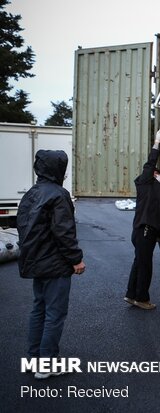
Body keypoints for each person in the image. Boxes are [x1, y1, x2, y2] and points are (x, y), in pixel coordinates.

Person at [17, 150, 86, 380]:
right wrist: (76, 259)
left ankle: (34, 358)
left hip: (35, 262)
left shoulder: (31, 194)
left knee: (39, 310)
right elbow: (64, 232)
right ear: (57, 169)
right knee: (55, 314)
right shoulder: (59, 195)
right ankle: (47, 364)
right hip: (55, 264)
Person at [125, 127, 160, 310]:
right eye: (157, 172)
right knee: (145, 266)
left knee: (139, 263)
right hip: (143, 230)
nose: (159, 175)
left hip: (146, 231)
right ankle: (142, 298)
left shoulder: (158, 188)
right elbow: (150, 163)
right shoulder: (144, 182)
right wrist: (157, 143)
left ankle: (131, 295)